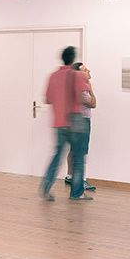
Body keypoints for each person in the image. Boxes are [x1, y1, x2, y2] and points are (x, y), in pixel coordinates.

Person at [39, 46, 92, 201]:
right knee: (79, 158)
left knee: (57, 157)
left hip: (58, 123)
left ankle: (46, 188)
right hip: (75, 121)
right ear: (73, 58)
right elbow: (83, 98)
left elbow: (47, 99)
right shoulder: (76, 75)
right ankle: (76, 193)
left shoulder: (53, 76)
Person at [66, 62, 97, 194]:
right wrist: (91, 90)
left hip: (74, 120)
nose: (89, 71)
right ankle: (80, 181)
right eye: (85, 70)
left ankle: (70, 177)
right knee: (81, 151)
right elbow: (93, 103)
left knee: (74, 150)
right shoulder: (82, 89)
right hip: (82, 120)